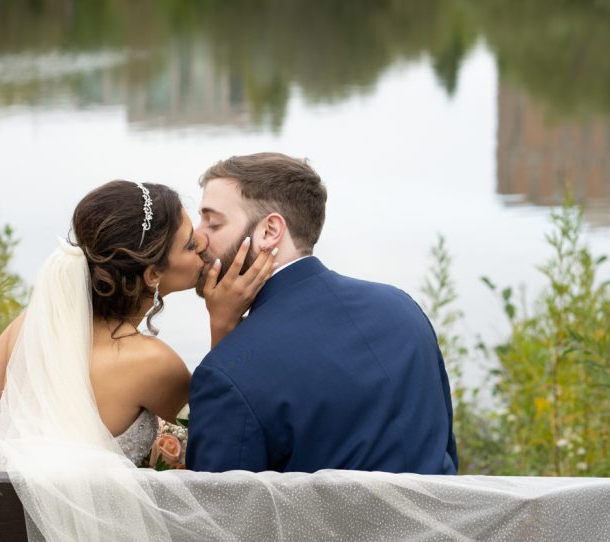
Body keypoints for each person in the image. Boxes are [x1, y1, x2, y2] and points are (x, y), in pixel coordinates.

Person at [0, 180, 273, 468]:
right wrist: (223, 324)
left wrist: (31, 504)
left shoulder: (33, 325)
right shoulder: (152, 362)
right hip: (113, 540)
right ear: (153, 274)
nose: (202, 244)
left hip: (16, 537)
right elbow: (221, 435)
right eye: (189, 244)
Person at [186, 152, 458, 475]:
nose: (198, 237)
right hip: (441, 523)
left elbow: (217, 516)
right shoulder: (402, 308)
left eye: (213, 222)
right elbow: (443, 449)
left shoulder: (226, 373)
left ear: (270, 231)